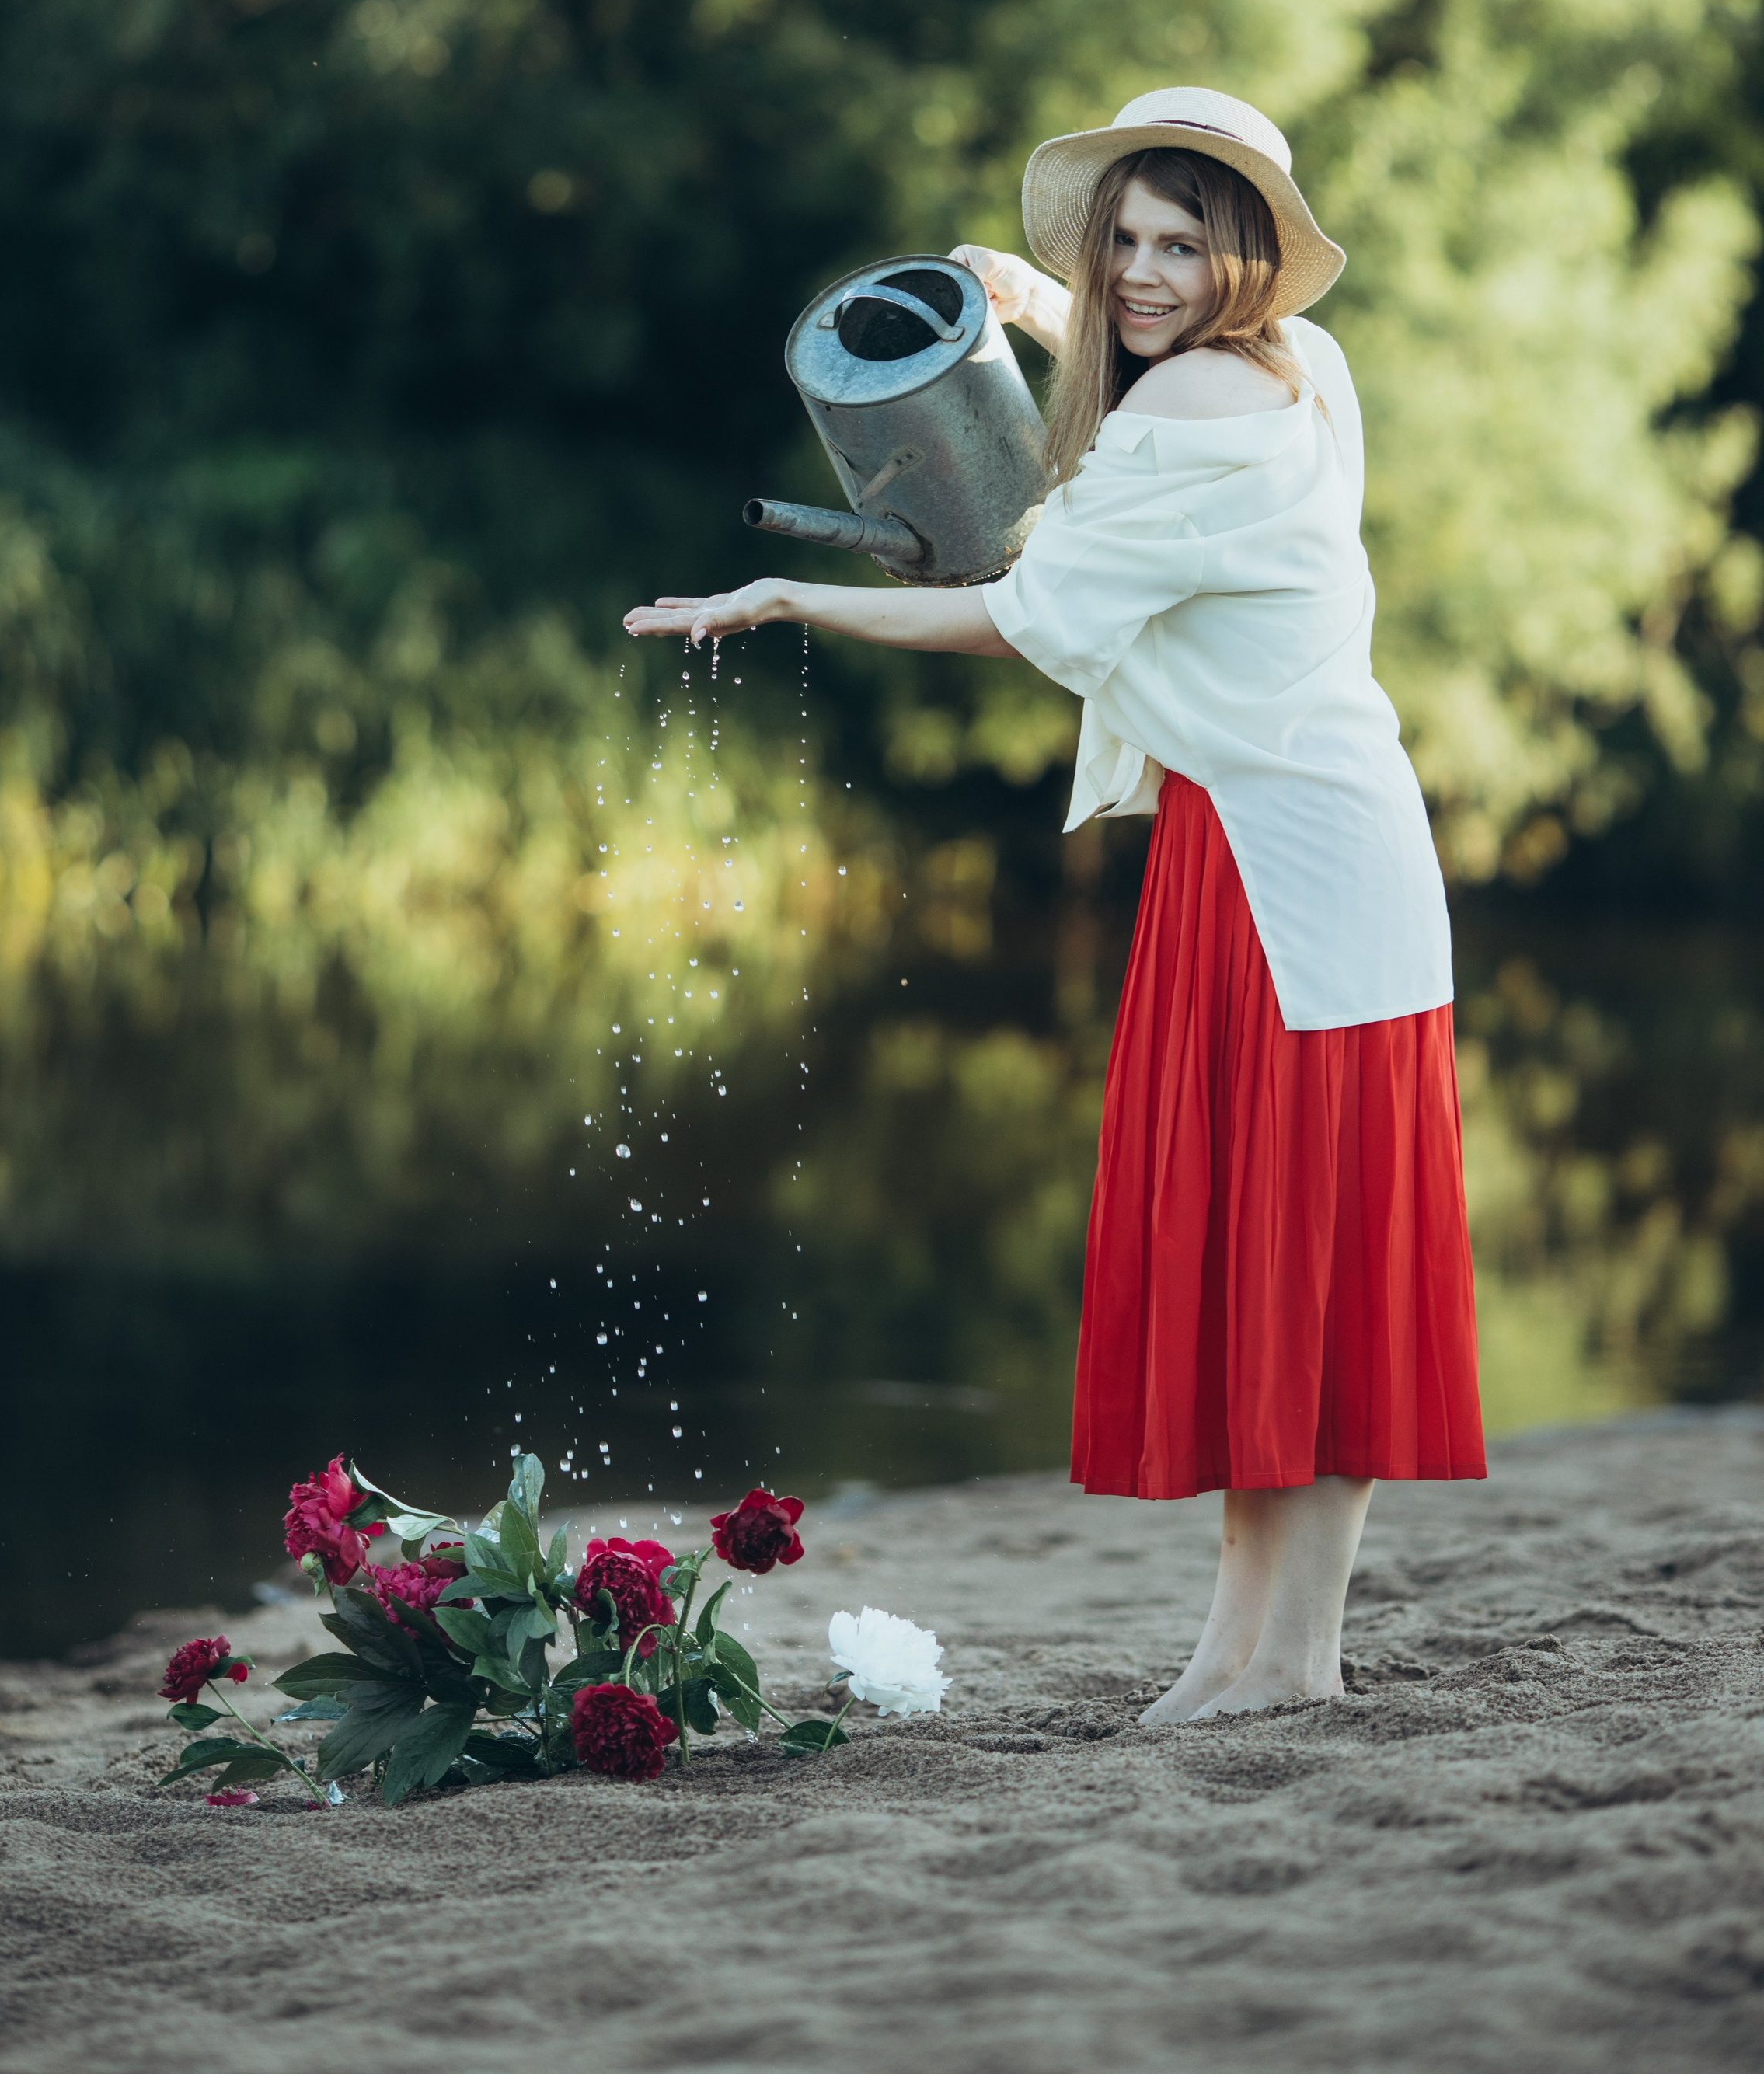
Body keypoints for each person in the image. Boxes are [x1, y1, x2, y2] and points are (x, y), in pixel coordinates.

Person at [624, 85, 1484, 1720]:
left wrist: (788, 593)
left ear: (1247, 259)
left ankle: (1285, 1659)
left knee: (1291, 1272)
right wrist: (1033, 305)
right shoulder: (1310, 371)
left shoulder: (1179, 418)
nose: (1145, 273)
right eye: (1124, 245)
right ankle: (1253, 1653)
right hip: (1313, 852)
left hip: (1280, 878)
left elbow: (1020, 612)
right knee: (1285, 1275)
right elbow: (1111, 483)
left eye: (1181, 244)